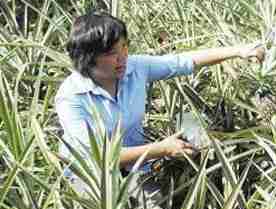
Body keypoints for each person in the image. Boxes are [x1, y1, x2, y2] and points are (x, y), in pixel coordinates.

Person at [55, 12, 264, 197]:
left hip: (138, 161)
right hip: (91, 174)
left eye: (125, 47)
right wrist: (162, 148)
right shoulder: (72, 98)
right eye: (111, 53)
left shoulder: (135, 68)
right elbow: (100, 156)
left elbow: (182, 61)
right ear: (87, 57)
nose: (122, 57)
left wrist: (238, 50)